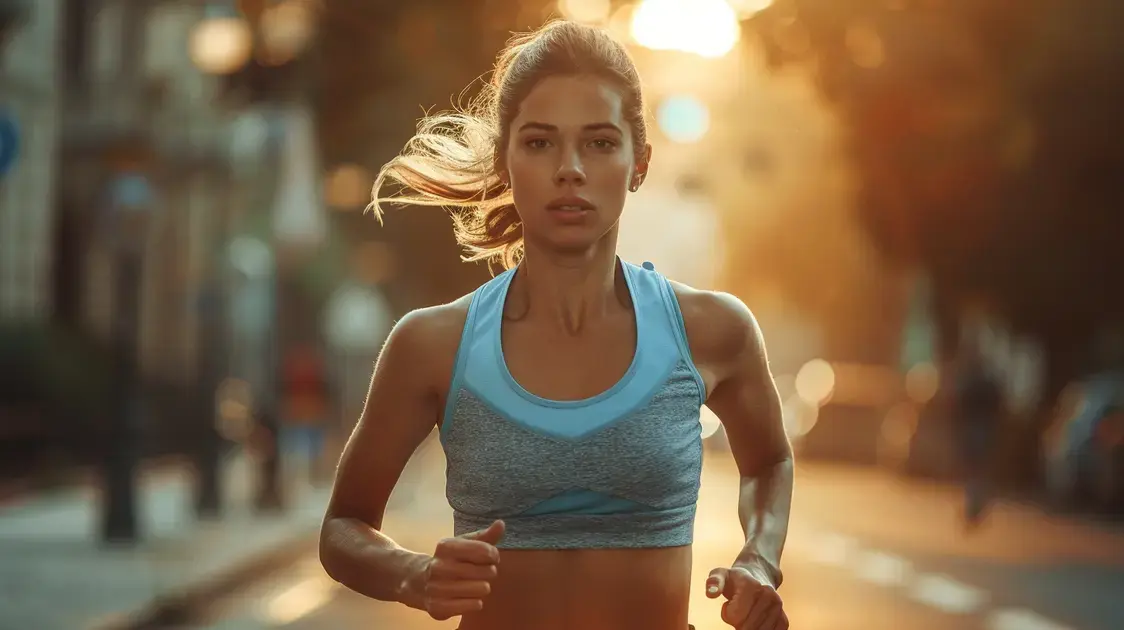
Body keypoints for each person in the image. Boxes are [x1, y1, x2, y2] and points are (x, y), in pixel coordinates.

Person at [319, 20, 793, 630]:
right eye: (540, 143)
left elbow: (769, 461)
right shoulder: (433, 344)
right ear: (505, 160)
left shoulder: (712, 330)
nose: (570, 169)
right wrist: (414, 576)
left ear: (639, 163)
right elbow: (342, 527)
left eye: (599, 143)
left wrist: (758, 559)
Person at [952, 343, 1004, 529]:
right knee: (977, 470)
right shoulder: (986, 383)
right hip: (983, 428)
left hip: (976, 428)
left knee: (974, 470)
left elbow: (960, 405)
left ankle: (974, 505)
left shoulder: (972, 383)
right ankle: (975, 504)